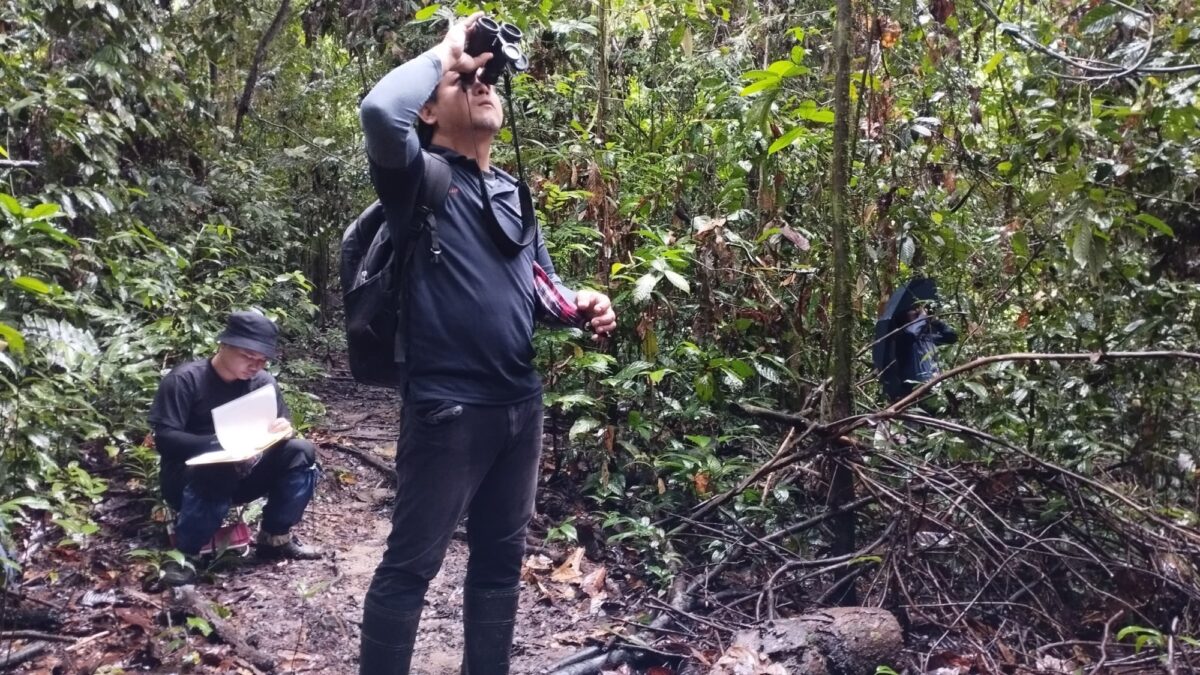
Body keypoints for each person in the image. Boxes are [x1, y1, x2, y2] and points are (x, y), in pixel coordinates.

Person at [356, 13, 617, 675]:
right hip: (448, 406)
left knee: (500, 564)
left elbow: (541, 286)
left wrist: (581, 304)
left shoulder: (510, 192)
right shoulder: (416, 178)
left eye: (488, 78)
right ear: (429, 113)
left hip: (517, 407)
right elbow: (379, 110)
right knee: (411, 565)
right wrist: (448, 51)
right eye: (463, 81)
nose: (481, 83)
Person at [148, 310, 321, 586]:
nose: (255, 365)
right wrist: (219, 445)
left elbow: (281, 423)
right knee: (217, 469)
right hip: (190, 480)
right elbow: (165, 439)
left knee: (301, 451)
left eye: (262, 360)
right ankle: (184, 556)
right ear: (224, 345)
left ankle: (275, 538)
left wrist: (283, 429)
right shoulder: (185, 380)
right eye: (248, 356)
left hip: (247, 470)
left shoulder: (263, 382)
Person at [890, 304, 957, 401]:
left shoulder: (928, 338)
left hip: (936, 386)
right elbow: (912, 334)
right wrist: (922, 316)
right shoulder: (902, 338)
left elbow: (952, 337)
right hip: (915, 390)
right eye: (913, 310)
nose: (917, 311)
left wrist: (936, 322)